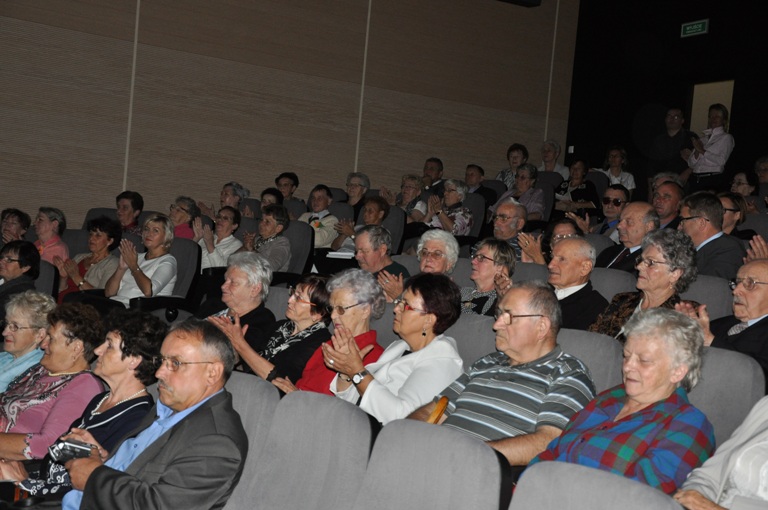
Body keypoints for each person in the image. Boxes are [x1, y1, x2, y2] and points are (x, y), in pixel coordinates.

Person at [60, 319, 248, 510]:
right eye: (162, 361)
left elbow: (159, 506)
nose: (159, 373)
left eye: (175, 363)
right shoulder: (167, 408)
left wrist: (94, 477)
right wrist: (103, 460)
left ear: (212, 373)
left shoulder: (216, 441)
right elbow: (138, 472)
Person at [408, 281, 596, 465]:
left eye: (508, 316)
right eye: (498, 314)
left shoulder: (568, 373)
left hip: (482, 469)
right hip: (433, 458)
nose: (496, 325)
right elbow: (435, 410)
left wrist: (466, 455)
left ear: (541, 327)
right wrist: (403, 435)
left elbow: (548, 443)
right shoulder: (487, 362)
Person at [532, 308, 715, 495]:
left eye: (644, 360)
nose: (628, 366)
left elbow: (642, 496)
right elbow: (553, 452)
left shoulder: (689, 425)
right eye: (626, 356)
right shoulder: (610, 398)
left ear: (677, 371)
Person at [1, 309, 165, 499]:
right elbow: (55, 459)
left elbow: (93, 487)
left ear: (134, 361)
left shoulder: (137, 419)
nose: (97, 351)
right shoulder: (100, 401)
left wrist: (24, 482)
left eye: (109, 345)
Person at [327, 273, 463, 424]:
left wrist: (357, 372)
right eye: (399, 301)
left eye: (406, 305)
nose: (396, 309)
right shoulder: (399, 346)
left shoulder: (440, 362)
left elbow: (403, 419)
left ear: (429, 320)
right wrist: (346, 371)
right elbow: (358, 398)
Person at [0, 303, 104, 461]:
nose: (43, 345)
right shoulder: (41, 370)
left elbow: (48, 445)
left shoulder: (83, 386)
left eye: (51, 339)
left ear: (76, 347)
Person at [272, 269, 385, 396]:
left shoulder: (375, 357)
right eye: (332, 308)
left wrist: (296, 395)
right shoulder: (328, 343)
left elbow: (344, 404)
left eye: (341, 309)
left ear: (365, 310)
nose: (333, 316)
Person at [211, 274, 331, 384]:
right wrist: (233, 348)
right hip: (249, 384)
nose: (290, 300)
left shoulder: (320, 344)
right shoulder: (281, 326)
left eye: (298, 298)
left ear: (318, 313)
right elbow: (248, 362)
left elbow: (280, 380)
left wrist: (240, 344)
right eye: (293, 293)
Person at [677, 259, 768, 393]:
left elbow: (760, 377)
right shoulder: (720, 324)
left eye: (750, 284)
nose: (736, 290)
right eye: (737, 282)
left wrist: (710, 341)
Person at [590, 229, 698, 340]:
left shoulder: (684, 313)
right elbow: (592, 339)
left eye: (651, 262)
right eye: (641, 260)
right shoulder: (622, 300)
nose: (639, 266)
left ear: (675, 274)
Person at [674, 395, 768, 509]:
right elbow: (708, 476)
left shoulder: (688, 418)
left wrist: (712, 507)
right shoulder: (765, 407)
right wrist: (692, 496)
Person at [199, 252, 276, 358]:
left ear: (255, 289)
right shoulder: (212, 304)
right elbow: (185, 329)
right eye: (225, 280)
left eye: (233, 282)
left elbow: (240, 359)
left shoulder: (262, 320)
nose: (223, 286)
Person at [103, 214, 177, 309]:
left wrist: (134, 266)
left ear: (167, 236)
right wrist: (121, 269)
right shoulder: (135, 256)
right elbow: (109, 293)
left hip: (139, 311)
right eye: (146, 229)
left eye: (155, 230)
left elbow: (149, 291)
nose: (148, 233)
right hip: (116, 304)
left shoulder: (168, 262)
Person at [678, 191, 745, 281]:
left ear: (701, 223)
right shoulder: (687, 247)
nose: (679, 227)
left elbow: (709, 286)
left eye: (683, 221)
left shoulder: (729, 250)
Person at [378, 229, 459, 302]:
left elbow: (429, 311)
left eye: (437, 254)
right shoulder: (403, 283)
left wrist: (399, 296)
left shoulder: (451, 294)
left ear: (449, 263)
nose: (428, 258)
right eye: (425, 253)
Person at [54, 215, 121, 303]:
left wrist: (76, 276)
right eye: (90, 234)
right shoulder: (79, 257)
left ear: (110, 241)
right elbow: (62, 289)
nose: (91, 238)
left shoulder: (113, 263)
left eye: (98, 235)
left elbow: (102, 296)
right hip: (61, 301)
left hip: (82, 306)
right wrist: (64, 277)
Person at [0, 291, 56, 392]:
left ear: (39, 335)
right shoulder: (6, 356)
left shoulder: (35, 372)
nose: (4, 332)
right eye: (7, 323)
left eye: (15, 326)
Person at [548, 237, 608, 330]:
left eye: (562, 259)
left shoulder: (596, 308)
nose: (550, 265)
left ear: (585, 268)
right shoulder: (538, 291)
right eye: (552, 258)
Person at [682, 103, 735, 193]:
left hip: (712, 180)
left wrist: (702, 150)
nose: (713, 119)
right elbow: (691, 164)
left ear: (724, 119)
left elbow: (721, 161)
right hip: (696, 179)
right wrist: (697, 151)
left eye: (717, 116)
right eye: (711, 116)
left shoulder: (726, 138)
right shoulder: (703, 139)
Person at [595, 202, 659, 273]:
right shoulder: (609, 251)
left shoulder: (651, 260)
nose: (619, 226)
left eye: (628, 222)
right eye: (620, 221)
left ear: (649, 227)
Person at [460, 239, 516, 317]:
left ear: (499, 267)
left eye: (481, 257)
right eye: (475, 256)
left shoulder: (498, 300)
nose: (473, 261)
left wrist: (502, 298)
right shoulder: (463, 291)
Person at [647, 107, 696, 178]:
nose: (672, 119)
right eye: (669, 116)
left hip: (682, 180)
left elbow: (700, 161)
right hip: (661, 179)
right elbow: (651, 164)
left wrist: (688, 172)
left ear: (682, 120)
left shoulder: (691, 138)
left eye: (676, 117)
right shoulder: (659, 140)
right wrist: (650, 180)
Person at [240, 204, 291, 272]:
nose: (261, 224)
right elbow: (231, 259)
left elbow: (271, 267)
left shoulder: (282, 243)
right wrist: (245, 246)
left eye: (267, 222)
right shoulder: (256, 239)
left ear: (278, 228)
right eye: (261, 220)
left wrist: (252, 250)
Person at [193, 205, 242, 271]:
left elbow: (223, 270)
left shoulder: (236, 245)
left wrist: (210, 245)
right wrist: (196, 239)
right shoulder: (207, 235)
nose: (220, 220)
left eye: (225, 218)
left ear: (234, 225)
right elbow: (187, 257)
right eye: (218, 216)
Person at [0, 241, 40, 322]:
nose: (1, 261)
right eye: (1, 257)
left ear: (25, 267)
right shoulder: (4, 280)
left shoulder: (21, 295)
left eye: (9, 260)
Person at [519, 217, 583, 265]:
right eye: (559, 237)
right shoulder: (545, 260)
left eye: (570, 236)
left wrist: (538, 258)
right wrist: (529, 264)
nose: (565, 241)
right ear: (551, 244)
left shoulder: (583, 261)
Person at [298, 184, 339, 249]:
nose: (315, 201)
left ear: (329, 201)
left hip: (319, 253)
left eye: (320, 198)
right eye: (313, 198)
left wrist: (315, 220)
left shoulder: (332, 220)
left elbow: (318, 241)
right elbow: (294, 234)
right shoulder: (305, 216)